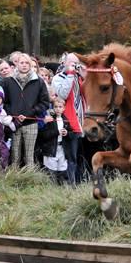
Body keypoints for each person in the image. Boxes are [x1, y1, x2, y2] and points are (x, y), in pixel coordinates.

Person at [3, 52, 50, 167]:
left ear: (30, 65)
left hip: (31, 122)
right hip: (14, 123)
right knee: (15, 156)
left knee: (29, 156)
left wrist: (31, 112)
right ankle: (13, 179)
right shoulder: (9, 81)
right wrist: (13, 114)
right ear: (16, 64)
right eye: (21, 62)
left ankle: (30, 180)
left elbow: (44, 103)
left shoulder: (38, 81)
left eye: (27, 63)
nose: (24, 65)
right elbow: (5, 102)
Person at [51, 52, 85, 184]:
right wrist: (70, 75)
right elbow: (62, 95)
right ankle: (71, 184)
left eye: (76, 64)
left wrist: (84, 72)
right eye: (71, 63)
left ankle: (82, 181)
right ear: (64, 63)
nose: (74, 66)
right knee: (71, 157)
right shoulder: (58, 78)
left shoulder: (80, 77)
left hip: (83, 121)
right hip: (69, 123)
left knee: (82, 156)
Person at [38, 97, 71, 183]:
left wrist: (67, 133)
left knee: (62, 171)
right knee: (51, 173)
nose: (58, 109)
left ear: (64, 108)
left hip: (62, 149)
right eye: (56, 107)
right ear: (53, 108)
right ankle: (51, 190)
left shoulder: (66, 120)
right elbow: (43, 135)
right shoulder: (50, 119)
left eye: (60, 107)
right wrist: (56, 132)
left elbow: (71, 133)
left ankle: (61, 189)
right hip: (51, 149)